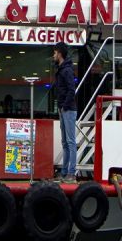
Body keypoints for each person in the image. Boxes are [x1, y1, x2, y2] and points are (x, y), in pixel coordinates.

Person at [52, 42, 77, 183]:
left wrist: (64, 106)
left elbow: (71, 90)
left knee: (70, 142)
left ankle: (71, 173)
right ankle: (65, 172)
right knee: (66, 142)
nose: (53, 55)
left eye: (55, 52)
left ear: (60, 53)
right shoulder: (62, 69)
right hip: (64, 109)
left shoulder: (66, 70)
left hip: (67, 110)